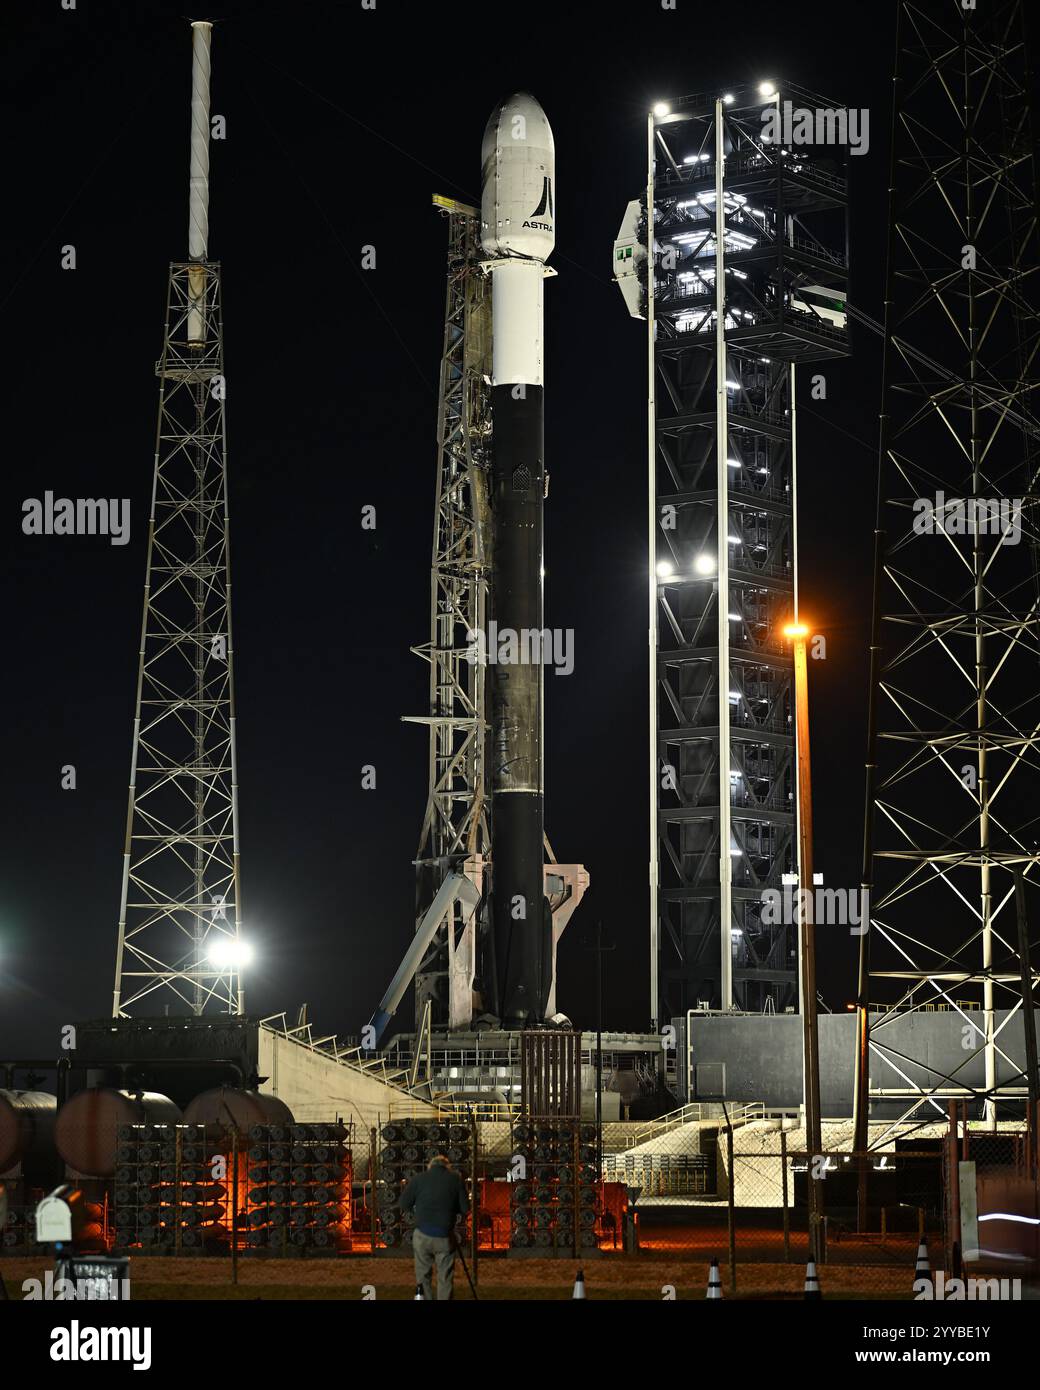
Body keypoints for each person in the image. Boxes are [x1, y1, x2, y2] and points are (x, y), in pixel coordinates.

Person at [399, 1153, 469, 1300]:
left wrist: (418, 1212)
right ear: (447, 1167)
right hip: (444, 1235)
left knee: (423, 1275)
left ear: (430, 1166)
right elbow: (465, 1208)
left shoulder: (419, 1179)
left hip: (422, 1234)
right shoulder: (455, 1179)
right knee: (445, 1276)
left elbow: (404, 1204)